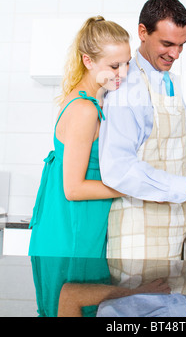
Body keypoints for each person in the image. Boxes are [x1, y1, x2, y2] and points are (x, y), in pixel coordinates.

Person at [99, 0, 186, 260]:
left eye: (181, 45)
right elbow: (117, 168)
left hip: (173, 229)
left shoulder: (169, 82)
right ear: (142, 32)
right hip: (136, 235)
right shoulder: (124, 86)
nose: (175, 54)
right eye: (167, 44)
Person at [29, 16, 131, 258]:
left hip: (76, 228)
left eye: (127, 64)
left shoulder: (88, 99)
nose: (123, 73)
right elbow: (73, 189)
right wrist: (134, 188)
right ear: (88, 61)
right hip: (71, 234)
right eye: (115, 66)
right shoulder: (85, 109)